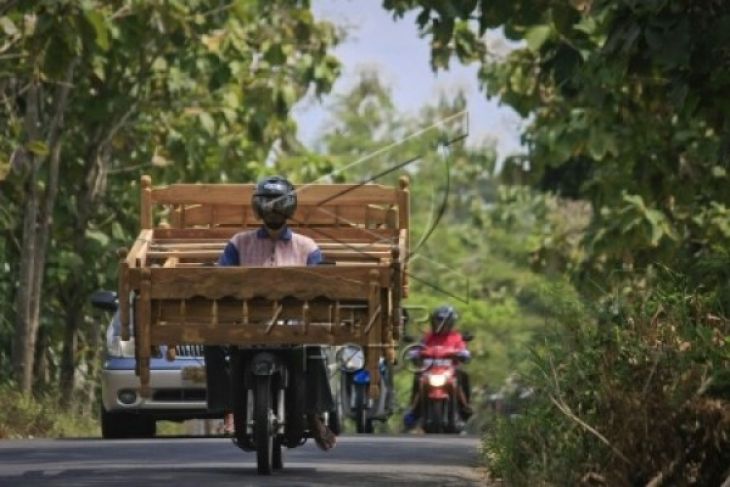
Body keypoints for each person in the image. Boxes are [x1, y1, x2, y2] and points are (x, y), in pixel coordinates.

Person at [204, 175, 336, 450]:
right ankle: (228, 407)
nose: (273, 211)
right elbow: (220, 278)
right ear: (258, 207)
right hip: (246, 325)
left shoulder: (307, 246)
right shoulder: (239, 243)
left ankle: (312, 414)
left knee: (314, 350)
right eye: (267, 205)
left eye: (279, 205)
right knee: (213, 341)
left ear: (290, 208)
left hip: (294, 326)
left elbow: (320, 285)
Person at [403, 304, 472, 429]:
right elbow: (419, 348)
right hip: (430, 371)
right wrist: (414, 353)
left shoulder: (456, 337)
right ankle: (414, 411)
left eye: (445, 322)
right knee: (418, 377)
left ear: (451, 323)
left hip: (449, 371)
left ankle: (464, 407)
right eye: (438, 321)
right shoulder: (428, 337)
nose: (441, 324)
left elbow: (463, 349)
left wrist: (463, 353)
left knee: (463, 376)